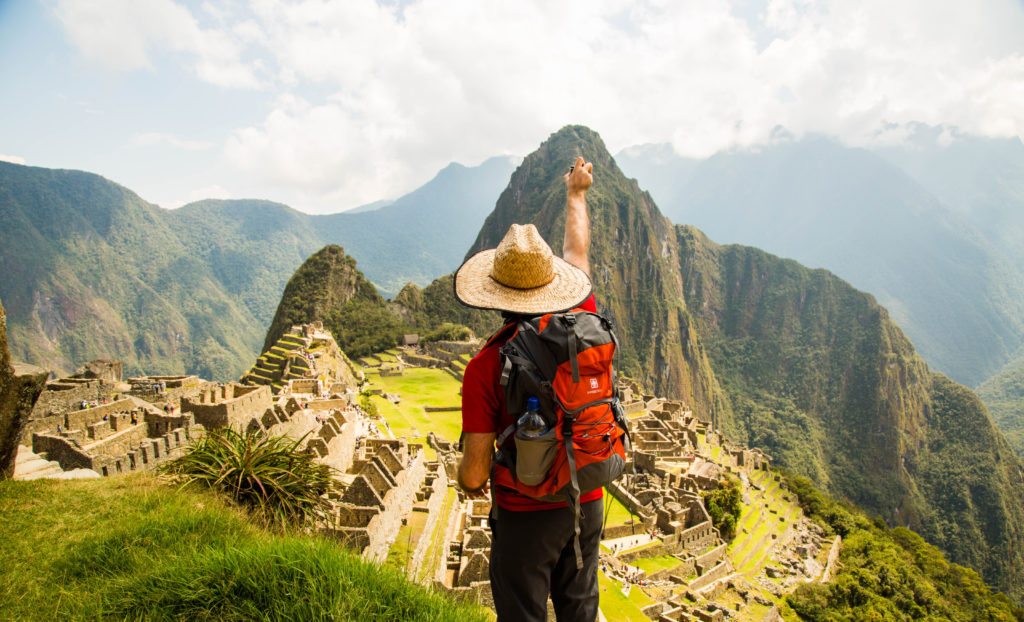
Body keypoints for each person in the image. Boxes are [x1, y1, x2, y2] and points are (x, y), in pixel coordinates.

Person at [456, 156, 601, 621]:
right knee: (580, 610)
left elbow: (475, 475)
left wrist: (467, 479)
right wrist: (576, 193)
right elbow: (578, 256)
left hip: (526, 511)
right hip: (587, 496)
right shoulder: (583, 320)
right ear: (554, 285)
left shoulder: (484, 367)